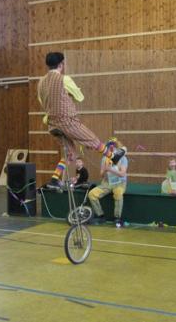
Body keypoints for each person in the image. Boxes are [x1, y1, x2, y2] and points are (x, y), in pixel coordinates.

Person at [37, 52, 126, 189]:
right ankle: (113, 156)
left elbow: (43, 101)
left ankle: (54, 179)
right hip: (66, 121)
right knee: (91, 138)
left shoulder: (41, 82)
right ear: (61, 64)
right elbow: (79, 97)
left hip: (52, 124)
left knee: (70, 153)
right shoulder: (64, 79)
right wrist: (68, 96)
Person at [88, 138, 129, 227]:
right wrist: (105, 170)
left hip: (120, 183)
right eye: (109, 147)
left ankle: (117, 218)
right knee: (92, 194)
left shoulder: (123, 158)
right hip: (107, 183)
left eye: (113, 147)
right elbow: (101, 175)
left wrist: (110, 169)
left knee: (118, 193)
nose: (111, 149)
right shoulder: (104, 159)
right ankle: (100, 216)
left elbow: (122, 174)